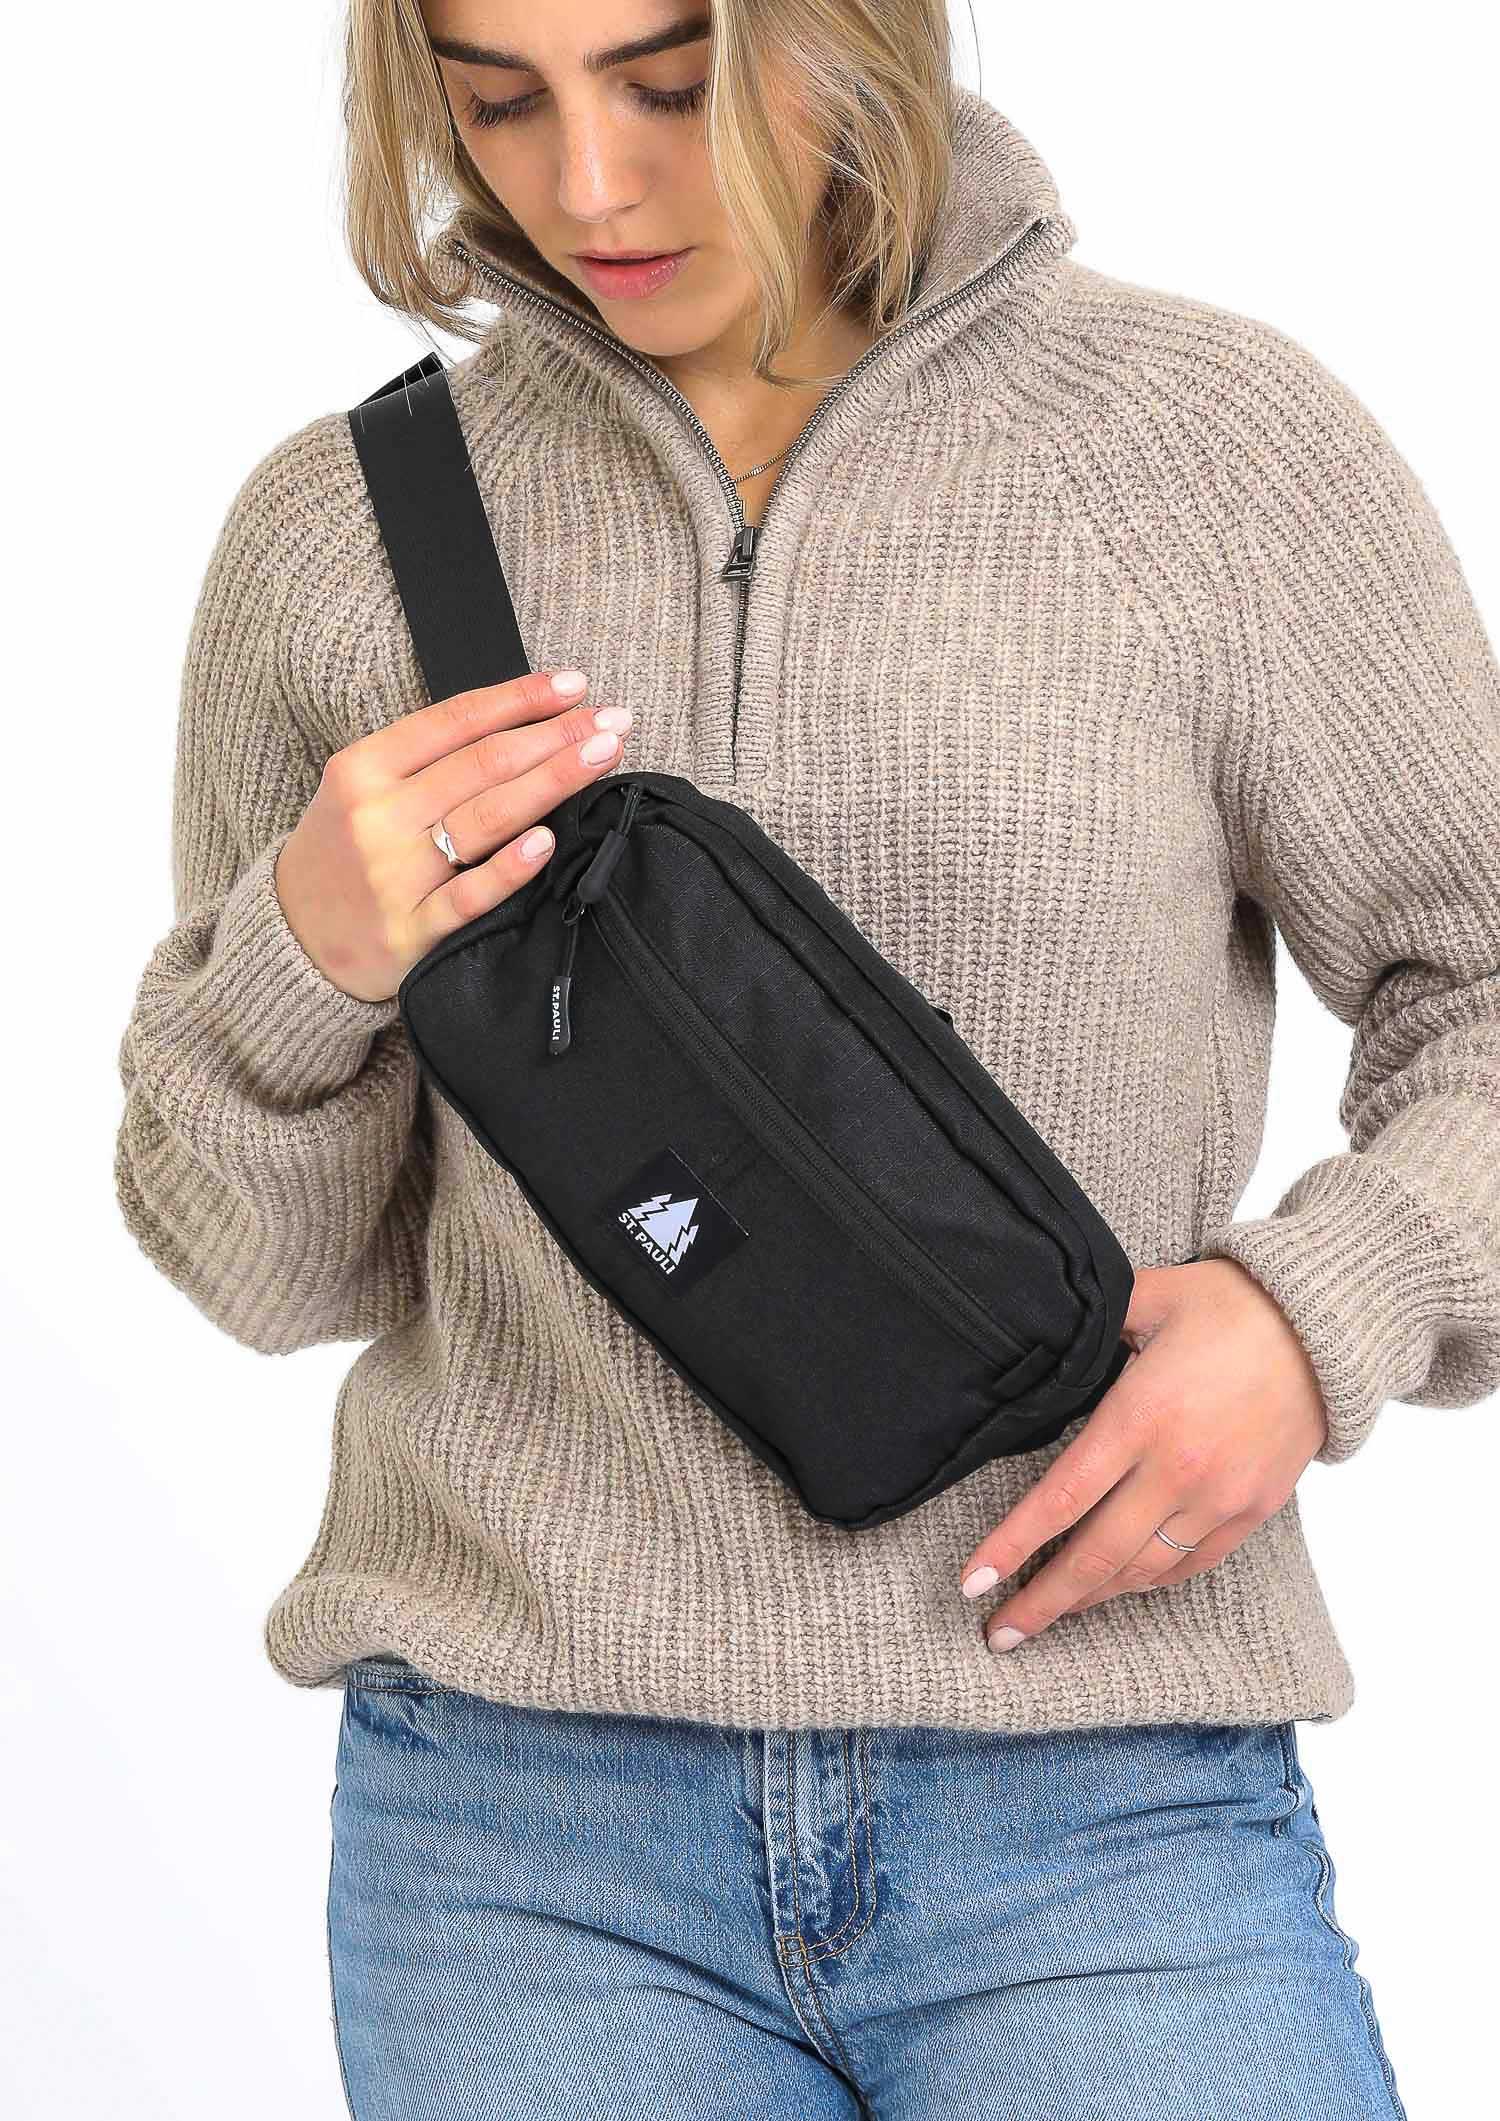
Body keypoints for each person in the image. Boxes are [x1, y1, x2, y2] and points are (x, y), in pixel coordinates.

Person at [113, 2, 1500, 2114]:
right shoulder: (348, 534)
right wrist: (305, 953)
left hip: (1102, 1799)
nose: (587, 186)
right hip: (518, 1839)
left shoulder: (1212, 453)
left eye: (669, 82)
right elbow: (275, 1269)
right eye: (497, 100)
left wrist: (1323, 1315)